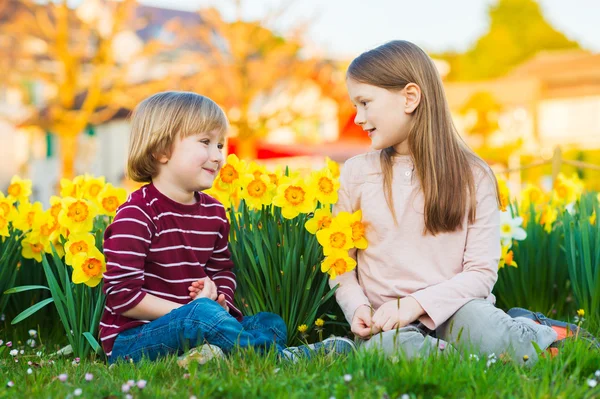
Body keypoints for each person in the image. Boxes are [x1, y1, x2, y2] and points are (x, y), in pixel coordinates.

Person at [333, 40, 558, 365]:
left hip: (458, 310)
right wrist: (358, 308)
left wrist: (416, 303)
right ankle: (470, 359)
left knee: (496, 338)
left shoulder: (474, 175)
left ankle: (536, 333)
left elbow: (480, 272)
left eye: (365, 103)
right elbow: (342, 265)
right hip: (387, 323)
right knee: (392, 352)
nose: (357, 117)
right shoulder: (356, 173)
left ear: (410, 98)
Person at [99, 91, 353, 364]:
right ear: (161, 150)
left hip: (196, 322)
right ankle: (280, 359)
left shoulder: (214, 213)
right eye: (205, 142)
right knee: (202, 318)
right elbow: (121, 296)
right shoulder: (137, 213)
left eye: (220, 145)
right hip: (134, 340)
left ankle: (211, 355)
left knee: (270, 322)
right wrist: (193, 311)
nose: (218, 156)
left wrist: (219, 300)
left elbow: (222, 270)